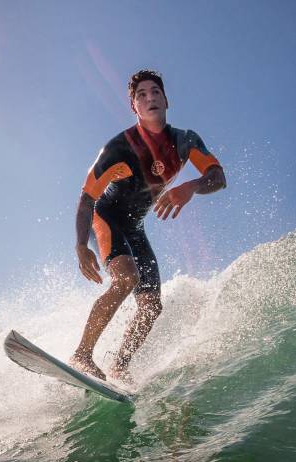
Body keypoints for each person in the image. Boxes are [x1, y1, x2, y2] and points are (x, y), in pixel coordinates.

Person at [71, 69, 226, 383]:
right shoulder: (120, 148)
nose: (150, 97)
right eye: (141, 95)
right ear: (134, 108)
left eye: (155, 91)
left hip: (135, 226)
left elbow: (218, 177)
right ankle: (82, 355)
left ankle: (120, 365)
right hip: (107, 217)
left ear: (166, 99)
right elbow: (87, 197)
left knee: (152, 305)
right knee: (127, 278)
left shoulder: (185, 141)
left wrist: (191, 186)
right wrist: (79, 246)